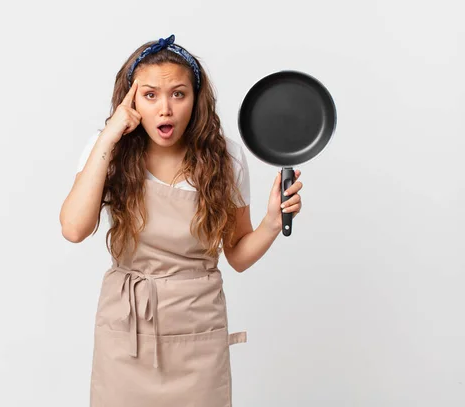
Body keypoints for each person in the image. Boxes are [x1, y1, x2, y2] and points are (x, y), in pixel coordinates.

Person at [59, 34, 303, 407]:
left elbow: (237, 255)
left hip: (197, 333)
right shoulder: (105, 148)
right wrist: (110, 135)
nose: (165, 109)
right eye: (150, 95)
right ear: (131, 100)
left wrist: (272, 222)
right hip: (127, 334)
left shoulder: (226, 158)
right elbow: (74, 228)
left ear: (196, 98)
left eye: (178, 93)